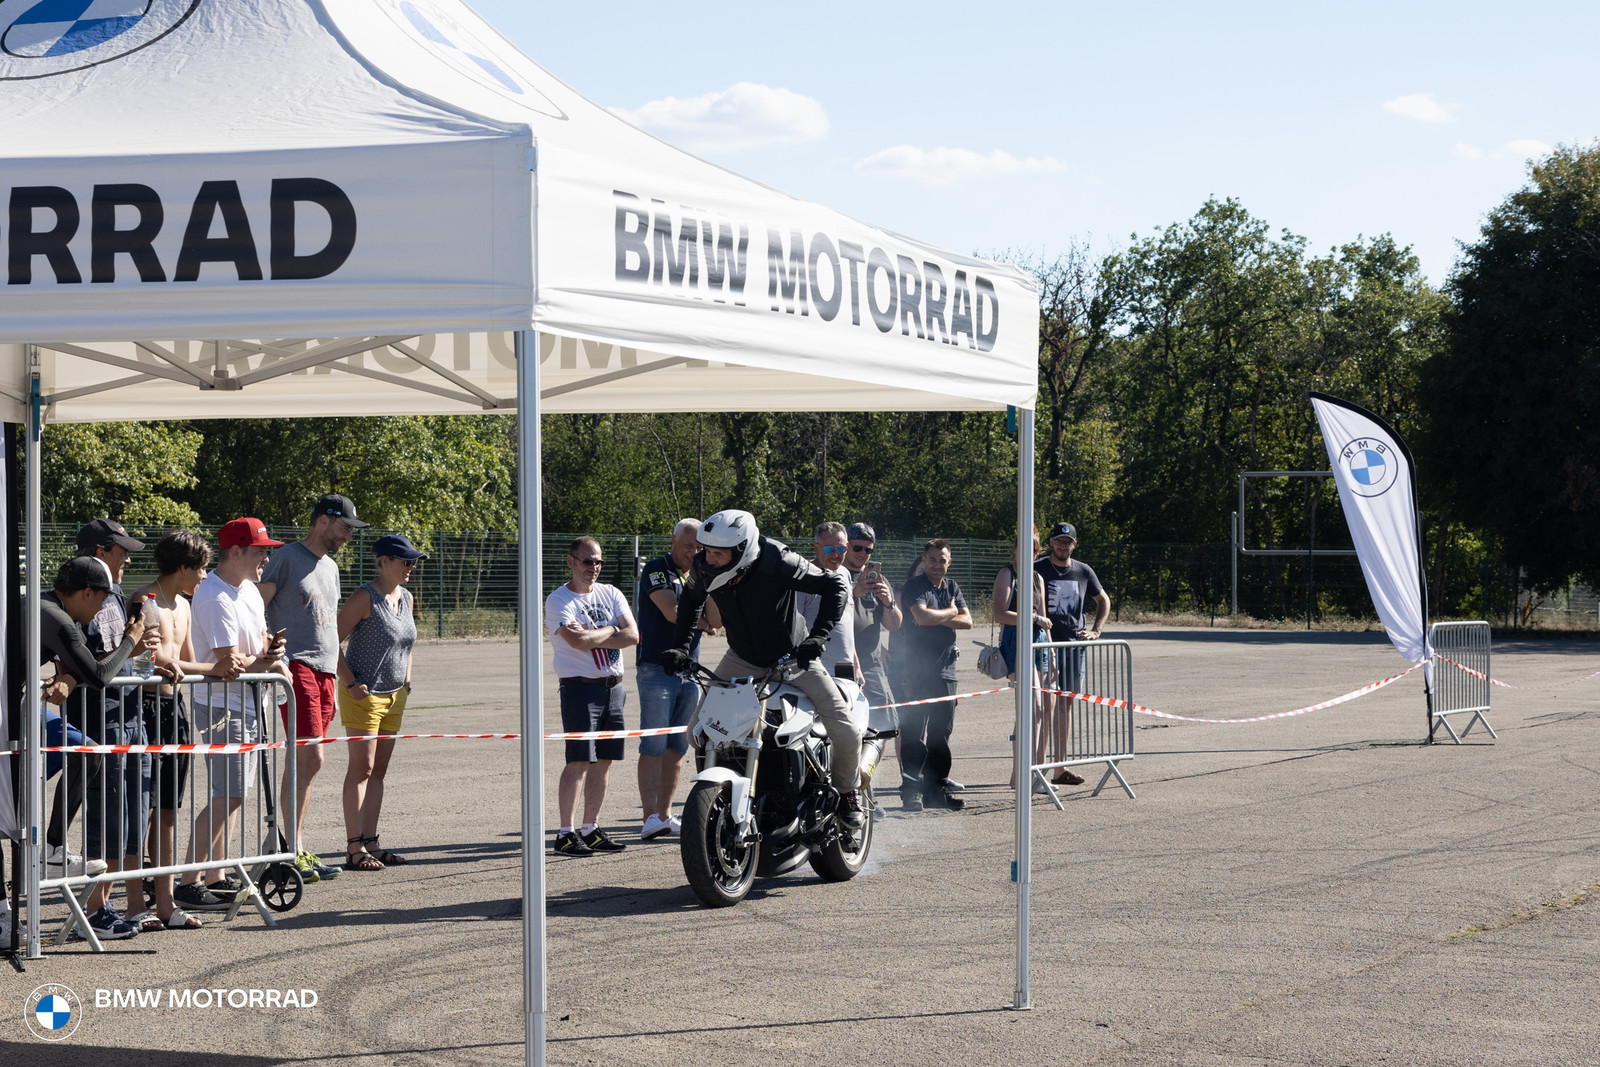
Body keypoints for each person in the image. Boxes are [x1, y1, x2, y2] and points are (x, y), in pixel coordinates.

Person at [661, 509, 866, 828]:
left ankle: (847, 792)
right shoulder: (704, 565)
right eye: (707, 550)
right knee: (696, 731)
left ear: (741, 549)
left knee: (846, 730)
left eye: (717, 553)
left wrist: (817, 637)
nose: (708, 558)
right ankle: (731, 793)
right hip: (741, 657)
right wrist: (681, 647)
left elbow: (835, 586)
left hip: (792, 659)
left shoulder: (777, 559)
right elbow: (690, 602)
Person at [35, 557, 154, 940]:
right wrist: (131, 639)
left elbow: (78, 669)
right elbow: (99, 674)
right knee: (14, 807)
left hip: (21, 704)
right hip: (14, 711)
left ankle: (54, 849)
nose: (103, 609)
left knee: (89, 754)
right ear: (86, 593)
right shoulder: (55, 616)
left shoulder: (54, 610)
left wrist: (69, 677)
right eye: (101, 600)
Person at [177, 518, 287, 913]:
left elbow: (255, 645)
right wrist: (269, 662)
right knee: (230, 793)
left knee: (233, 795)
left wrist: (270, 651)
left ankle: (216, 875)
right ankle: (188, 881)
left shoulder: (250, 592)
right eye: (260, 551)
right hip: (222, 704)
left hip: (247, 701)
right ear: (236, 551)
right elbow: (229, 662)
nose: (266, 558)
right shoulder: (213, 595)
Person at [258, 493, 365, 884]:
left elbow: (329, 626)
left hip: (326, 672)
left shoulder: (331, 567)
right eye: (345, 527)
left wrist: (344, 677)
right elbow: (256, 606)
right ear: (323, 521)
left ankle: (294, 847)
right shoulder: (286, 558)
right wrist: (268, 651)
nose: (348, 536)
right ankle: (291, 848)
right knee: (311, 757)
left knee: (309, 761)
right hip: (297, 666)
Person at [65, 520, 157, 932]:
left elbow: (121, 655)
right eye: (122, 551)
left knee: (135, 811)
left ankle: (123, 905)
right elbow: (89, 664)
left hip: (130, 713)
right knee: (108, 814)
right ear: (100, 552)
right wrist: (130, 648)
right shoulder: (83, 597)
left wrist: (144, 653)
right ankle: (94, 909)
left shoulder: (116, 594)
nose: (128, 559)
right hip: (100, 719)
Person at [129, 531, 224, 929]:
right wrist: (212, 668)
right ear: (183, 566)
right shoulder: (143, 600)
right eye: (201, 568)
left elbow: (186, 662)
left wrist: (215, 668)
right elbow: (146, 660)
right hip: (142, 709)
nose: (204, 576)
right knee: (140, 810)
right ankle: (136, 904)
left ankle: (166, 903)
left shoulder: (184, 605)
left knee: (168, 809)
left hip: (174, 710)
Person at [335, 534, 423, 871]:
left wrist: (407, 679)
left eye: (413, 562)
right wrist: (351, 682)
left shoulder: (407, 597)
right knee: (362, 769)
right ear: (384, 561)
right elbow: (331, 641)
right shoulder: (364, 596)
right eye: (405, 561)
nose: (410, 567)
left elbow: (407, 644)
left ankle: (371, 842)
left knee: (379, 771)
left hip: (395, 695)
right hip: (364, 694)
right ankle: (354, 846)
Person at [547, 537, 638, 855]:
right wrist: (612, 630)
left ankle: (591, 828)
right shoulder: (559, 600)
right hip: (580, 689)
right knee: (579, 760)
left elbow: (633, 635)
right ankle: (565, 833)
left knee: (605, 760)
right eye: (588, 561)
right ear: (571, 561)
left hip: (614, 688)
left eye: (599, 561)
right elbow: (577, 641)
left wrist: (598, 635)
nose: (594, 567)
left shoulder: (611, 593)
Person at [632, 519, 720, 841]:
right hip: (656, 669)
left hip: (690, 671)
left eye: (700, 548)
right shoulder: (657, 569)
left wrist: (709, 583)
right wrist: (703, 623)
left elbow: (717, 621)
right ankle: (649, 817)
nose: (694, 552)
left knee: (678, 746)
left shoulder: (703, 573)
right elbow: (672, 612)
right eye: (688, 546)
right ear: (673, 541)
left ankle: (666, 814)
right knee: (654, 744)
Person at [896, 539, 973, 812]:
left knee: (941, 734)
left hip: (946, 672)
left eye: (942, 560)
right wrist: (951, 611)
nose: (937, 564)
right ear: (924, 559)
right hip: (916, 672)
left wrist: (936, 616)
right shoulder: (914, 586)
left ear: (949, 562)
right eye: (932, 559)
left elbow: (968, 621)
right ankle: (911, 792)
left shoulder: (952, 587)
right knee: (914, 733)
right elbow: (922, 617)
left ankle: (935, 791)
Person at [1033, 522, 1111, 787]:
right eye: (1058, 540)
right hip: (1043, 647)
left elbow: (1103, 600)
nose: (1062, 545)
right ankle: (1035, 770)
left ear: (1074, 545)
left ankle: (1060, 768)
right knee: (1041, 707)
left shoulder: (1083, 570)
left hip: (1073, 648)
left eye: (1067, 542)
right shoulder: (1038, 568)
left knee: (1065, 704)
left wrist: (1096, 630)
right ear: (1051, 542)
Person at [994, 529, 1052, 792]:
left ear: (1038, 552)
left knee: (1035, 711)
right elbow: (1000, 614)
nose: (1028, 552)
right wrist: (1034, 619)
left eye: (1033, 549)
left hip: (1039, 642)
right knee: (1033, 708)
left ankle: (1025, 772)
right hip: (1016, 640)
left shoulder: (1038, 577)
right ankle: (1026, 773)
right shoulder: (1007, 573)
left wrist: (1052, 650)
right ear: (1015, 549)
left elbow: (1044, 617)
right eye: (1023, 547)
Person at [796, 521, 860, 679]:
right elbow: (794, 630)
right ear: (816, 548)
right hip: (816, 669)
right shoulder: (804, 580)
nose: (835, 555)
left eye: (841, 549)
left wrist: (856, 666)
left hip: (846, 668)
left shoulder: (844, 574)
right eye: (829, 549)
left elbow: (846, 624)